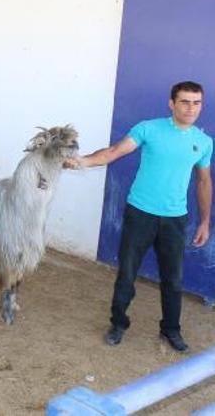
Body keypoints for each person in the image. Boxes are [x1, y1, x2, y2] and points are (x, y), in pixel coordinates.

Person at [68, 81, 212, 353]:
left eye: (196, 103)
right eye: (184, 101)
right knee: (127, 274)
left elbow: (204, 182)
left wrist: (205, 221)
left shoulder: (203, 142)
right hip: (140, 214)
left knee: (173, 279)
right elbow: (114, 152)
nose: (191, 108)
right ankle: (118, 324)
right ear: (172, 103)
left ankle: (171, 330)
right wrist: (81, 161)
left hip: (175, 220)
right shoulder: (148, 128)